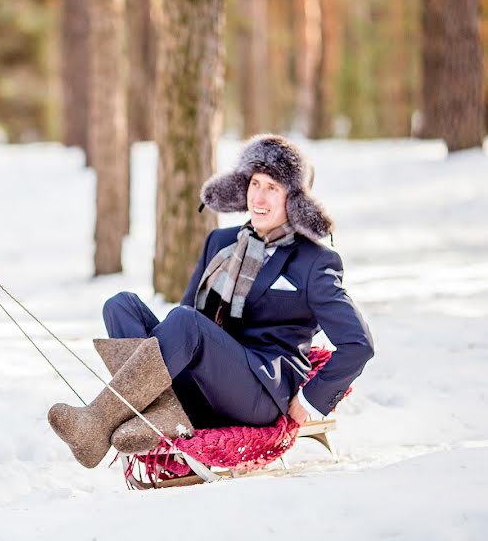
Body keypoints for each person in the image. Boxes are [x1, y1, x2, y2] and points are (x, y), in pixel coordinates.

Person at [48, 134, 374, 468]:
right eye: (255, 184)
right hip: (205, 384)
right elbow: (189, 316)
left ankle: (96, 421)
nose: (258, 197)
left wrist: (312, 398)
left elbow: (358, 343)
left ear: (294, 199)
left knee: (185, 323)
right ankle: (163, 415)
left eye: (272, 188)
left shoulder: (314, 261)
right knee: (120, 305)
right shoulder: (220, 243)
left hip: (260, 394)